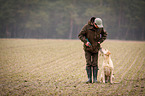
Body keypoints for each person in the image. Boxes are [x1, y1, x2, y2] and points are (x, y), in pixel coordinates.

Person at [78, 17, 107, 83]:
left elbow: (104, 35)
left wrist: (100, 41)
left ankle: (95, 79)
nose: (98, 27)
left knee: (95, 64)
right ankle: (89, 79)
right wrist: (85, 42)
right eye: (97, 26)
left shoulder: (100, 28)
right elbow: (80, 35)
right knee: (88, 63)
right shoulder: (86, 27)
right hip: (88, 48)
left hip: (96, 48)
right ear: (94, 23)